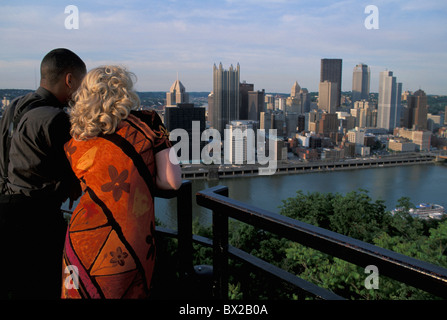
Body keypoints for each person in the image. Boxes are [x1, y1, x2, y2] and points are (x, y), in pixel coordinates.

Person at [61, 65, 182, 299]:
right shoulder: (148, 123)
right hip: (125, 245)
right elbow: (172, 182)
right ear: (125, 90)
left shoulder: (78, 133)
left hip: (80, 241)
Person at [0, 48, 86, 299]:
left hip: (4, 210)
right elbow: (80, 167)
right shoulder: (57, 119)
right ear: (70, 80)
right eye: (80, 84)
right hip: (35, 222)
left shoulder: (14, 106)